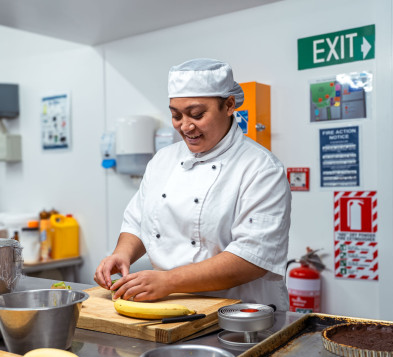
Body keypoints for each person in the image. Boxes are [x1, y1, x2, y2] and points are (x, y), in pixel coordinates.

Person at [94, 58, 292, 309]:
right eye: (176, 115)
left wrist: (169, 281)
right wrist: (121, 254)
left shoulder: (261, 168)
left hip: (241, 315)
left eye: (197, 115)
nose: (186, 126)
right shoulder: (163, 160)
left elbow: (252, 258)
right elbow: (139, 221)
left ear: (229, 105)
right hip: (169, 308)